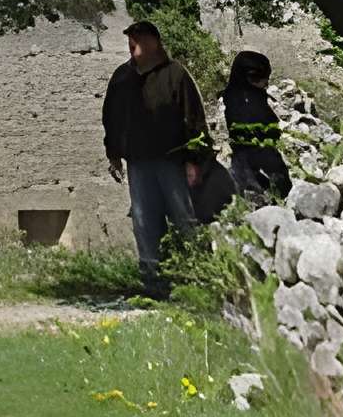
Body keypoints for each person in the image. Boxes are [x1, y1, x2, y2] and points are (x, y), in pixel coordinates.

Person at [100, 19, 210, 295]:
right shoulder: (122, 78)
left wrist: (194, 159)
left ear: (153, 43)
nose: (132, 44)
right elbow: (111, 117)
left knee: (184, 219)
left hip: (173, 161)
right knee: (144, 222)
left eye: (138, 39)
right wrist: (113, 153)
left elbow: (193, 118)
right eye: (130, 39)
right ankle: (154, 283)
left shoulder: (175, 75)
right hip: (139, 162)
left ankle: (196, 278)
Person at [222, 50, 288, 201]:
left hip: (262, 151)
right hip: (249, 156)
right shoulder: (238, 101)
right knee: (253, 191)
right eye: (263, 78)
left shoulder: (255, 94)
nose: (266, 83)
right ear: (249, 77)